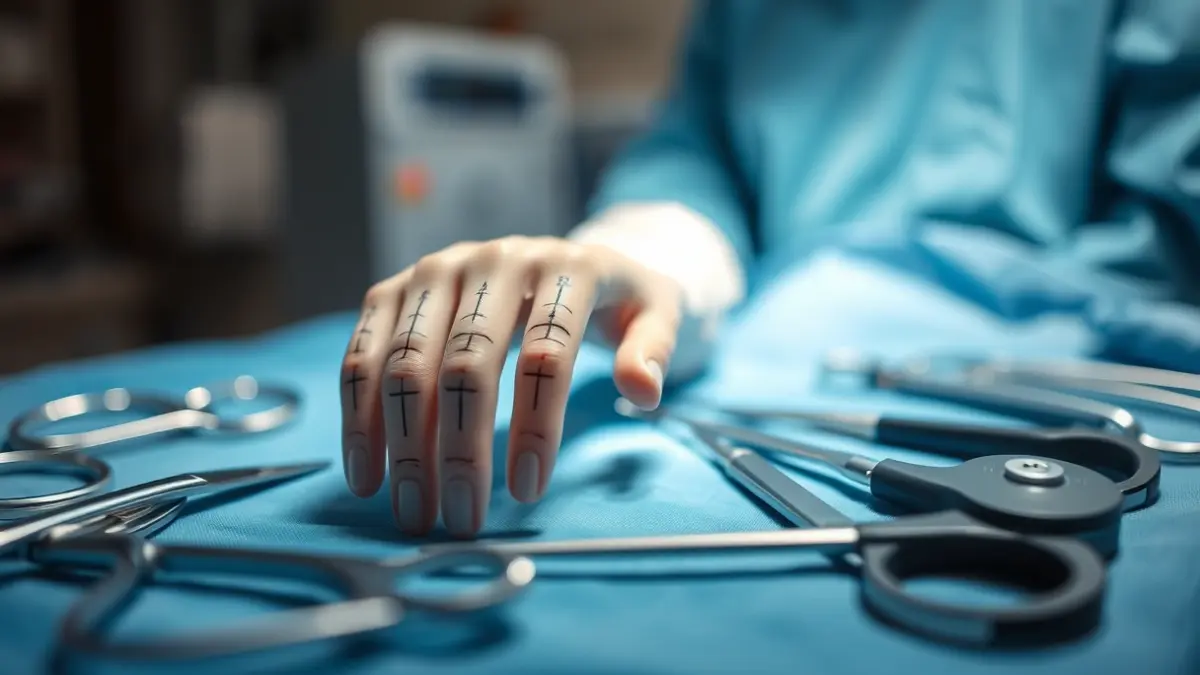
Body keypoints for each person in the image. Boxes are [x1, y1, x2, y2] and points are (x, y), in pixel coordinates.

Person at [339, 0, 1200, 537]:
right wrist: (633, 263)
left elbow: (1163, 239)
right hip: (763, 366)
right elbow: (691, 171)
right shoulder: (743, 13)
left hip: (1056, 389)